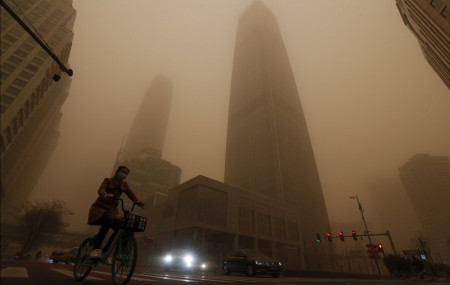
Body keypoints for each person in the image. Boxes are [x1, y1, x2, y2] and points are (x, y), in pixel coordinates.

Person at [87, 165, 144, 259]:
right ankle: (96, 249)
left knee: (120, 227)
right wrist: (105, 195)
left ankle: (105, 252)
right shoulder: (108, 181)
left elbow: (131, 193)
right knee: (108, 219)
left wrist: (137, 201)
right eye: (122, 172)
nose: (124, 174)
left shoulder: (124, 185)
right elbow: (101, 190)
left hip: (112, 210)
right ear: (117, 172)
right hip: (99, 208)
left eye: (126, 173)